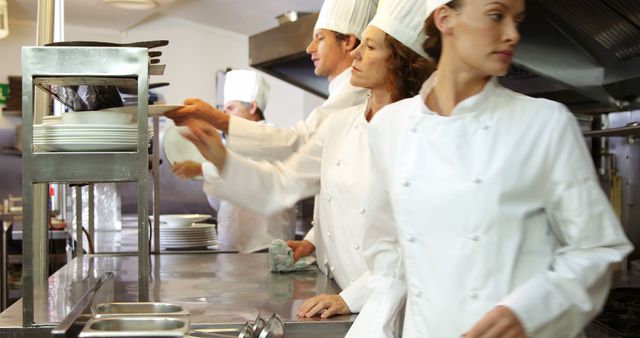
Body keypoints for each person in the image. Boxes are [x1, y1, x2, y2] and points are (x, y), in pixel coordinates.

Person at [346, 0, 634, 337]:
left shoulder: (544, 123)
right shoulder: (390, 128)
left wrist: (528, 312)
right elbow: (387, 257)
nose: (512, 34)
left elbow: (598, 250)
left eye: (518, 20)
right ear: (445, 18)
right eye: (496, 16)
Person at [175, 0, 434, 319]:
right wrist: (219, 156)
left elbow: (415, 242)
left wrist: (351, 299)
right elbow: (279, 185)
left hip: (394, 306)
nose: (354, 53)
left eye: (368, 46)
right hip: (343, 289)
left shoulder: (422, 134)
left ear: (399, 61)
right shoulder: (340, 122)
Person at [165, 0, 377, 263]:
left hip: (349, 277)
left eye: (319, 38)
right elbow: (285, 185)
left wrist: (216, 123)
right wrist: (313, 239)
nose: (310, 48)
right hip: (339, 279)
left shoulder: (358, 102)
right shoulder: (342, 105)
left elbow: (295, 145)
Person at [171, 70, 296, 253]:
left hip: (265, 245)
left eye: (231, 108)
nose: (224, 115)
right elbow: (221, 201)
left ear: (253, 107)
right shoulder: (231, 144)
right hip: (232, 245)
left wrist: (201, 169)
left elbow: (254, 172)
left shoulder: (270, 136)